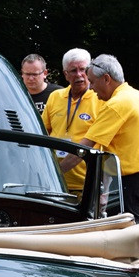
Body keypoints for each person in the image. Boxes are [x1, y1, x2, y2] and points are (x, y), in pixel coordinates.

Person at [58, 54, 139, 222]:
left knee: (121, 235)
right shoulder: (137, 96)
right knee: (122, 231)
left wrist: (56, 173)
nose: (91, 88)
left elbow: (84, 148)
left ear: (106, 79)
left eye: (92, 82)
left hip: (130, 183)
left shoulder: (116, 105)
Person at [42, 48, 101, 198]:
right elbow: (42, 133)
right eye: (73, 70)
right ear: (66, 74)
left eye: (83, 70)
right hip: (56, 183)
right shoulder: (55, 97)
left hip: (87, 184)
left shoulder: (100, 99)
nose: (79, 75)